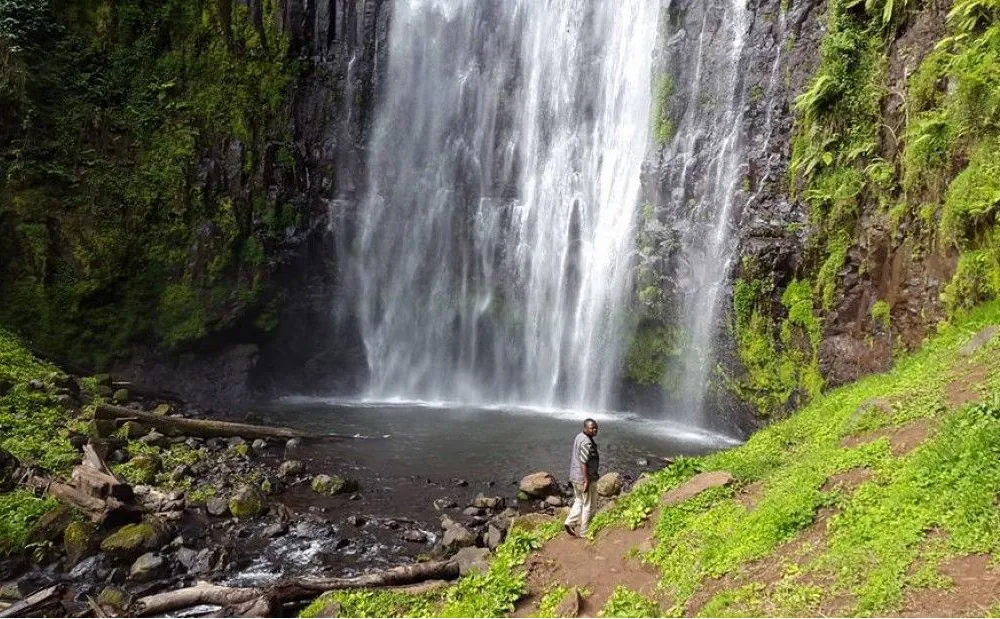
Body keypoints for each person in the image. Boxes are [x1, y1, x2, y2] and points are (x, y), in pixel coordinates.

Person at [564, 418, 599, 538]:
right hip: (583, 479)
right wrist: (586, 480)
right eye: (592, 428)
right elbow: (584, 462)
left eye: (596, 428)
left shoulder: (579, 436)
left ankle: (570, 522)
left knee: (579, 500)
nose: (595, 430)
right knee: (588, 505)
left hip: (574, 476)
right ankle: (584, 532)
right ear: (585, 428)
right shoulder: (586, 443)